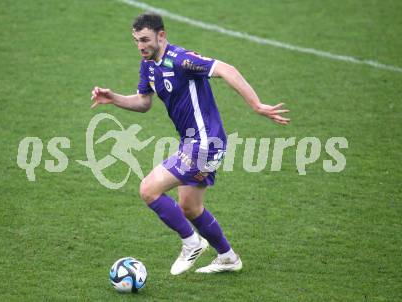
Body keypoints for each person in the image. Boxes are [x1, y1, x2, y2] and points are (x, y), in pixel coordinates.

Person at [91, 12, 290, 275]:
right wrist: (113, 98)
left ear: (161, 35)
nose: (140, 46)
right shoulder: (149, 65)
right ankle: (228, 257)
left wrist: (256, 104)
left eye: (145, 39)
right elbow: (143, 102)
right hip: (192, 142)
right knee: (190, 207)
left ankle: (191, 243)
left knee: (148, 190)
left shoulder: (182, 60)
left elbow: (225, 69)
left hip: (206, 142)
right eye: (136, 40)